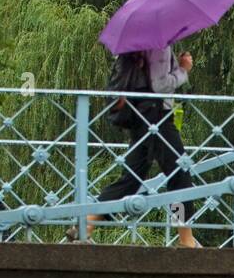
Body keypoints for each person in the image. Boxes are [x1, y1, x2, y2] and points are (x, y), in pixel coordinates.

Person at [70, 45, 200, 247]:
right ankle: (186, 238)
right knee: (180, 175)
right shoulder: (159, 48)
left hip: (142, 116)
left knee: (131, 179)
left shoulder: (143, 45)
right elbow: (159, 85)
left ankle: (86, 224)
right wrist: (183, 70)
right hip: (158, 118)